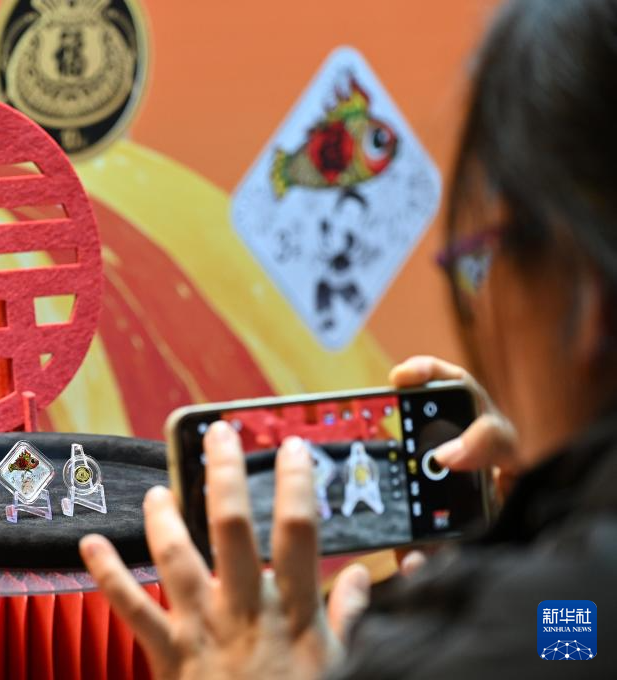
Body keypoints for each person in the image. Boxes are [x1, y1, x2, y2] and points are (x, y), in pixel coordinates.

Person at [79, 0, 617, 677]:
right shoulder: (568, 611)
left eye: (483, 257)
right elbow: (575, 638)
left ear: (587, 299)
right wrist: (540, 534)